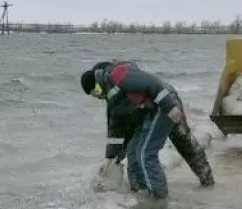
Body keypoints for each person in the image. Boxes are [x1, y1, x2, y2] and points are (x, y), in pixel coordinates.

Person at [80, 61, 214, 189]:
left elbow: (151, 83)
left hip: (168, 101)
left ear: (100, 79)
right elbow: (115, 130)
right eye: (95, 95)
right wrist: (109, 159)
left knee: (183, 141)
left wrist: (170, 106)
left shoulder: (120, 76)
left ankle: (207, 181)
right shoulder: (113, 101)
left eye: (97, 91)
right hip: (151, 112)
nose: (98, 96)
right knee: (134, 156)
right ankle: (139, 191)